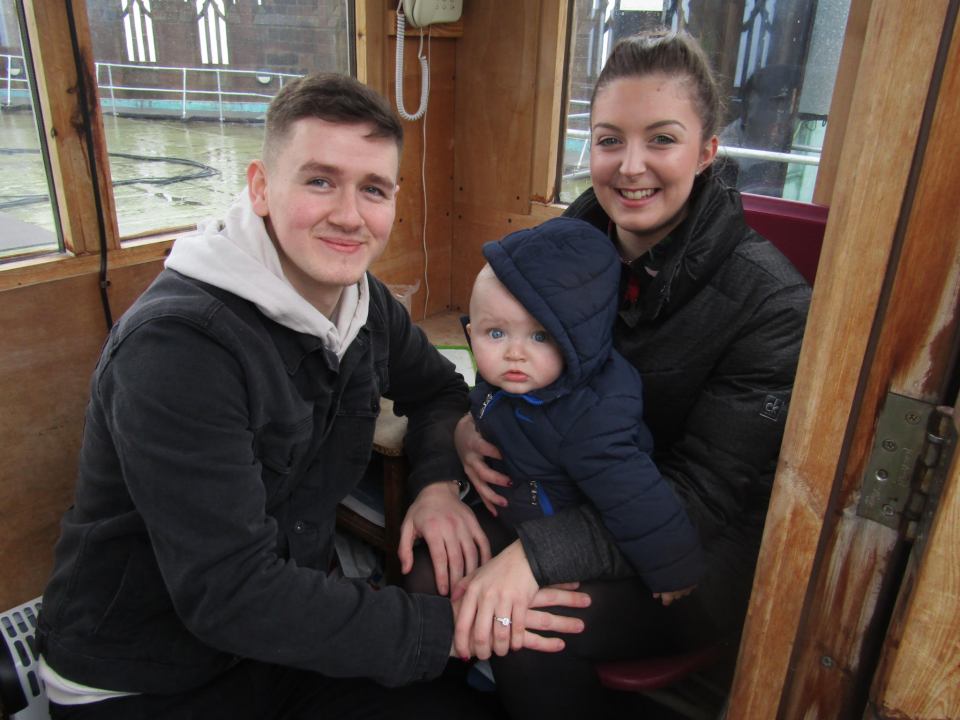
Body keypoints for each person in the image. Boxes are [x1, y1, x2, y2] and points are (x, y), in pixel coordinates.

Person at [36, 72, 588, 720]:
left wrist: (437, 486)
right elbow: (231, 594)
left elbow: (439, 391)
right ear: (261, 187)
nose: (349, 216)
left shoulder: (364, 305)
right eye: (320, 180)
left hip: (277, 648)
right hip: (146, 676)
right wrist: (457, 626)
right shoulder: (178, 348)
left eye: (372, 189)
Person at [411, 30, 812, 718]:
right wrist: (471, 429)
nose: (631, 167)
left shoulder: (769, 302)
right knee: (433, 572)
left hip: (688, 547)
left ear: (707, 151)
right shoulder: (566, 242)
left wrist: (537, 556)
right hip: (563, 487)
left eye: (661, 140)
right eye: (608, 140)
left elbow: (708, 496)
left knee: (531, 631)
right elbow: (500, 354)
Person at [463, 216, 702, 604]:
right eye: (496, 333)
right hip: (514, 515)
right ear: (471, 334)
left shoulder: (590, 417)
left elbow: (636, 497)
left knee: (515, 627)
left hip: (568, 548)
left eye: (540, 336)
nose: (514, 352)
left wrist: (673, 569)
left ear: (579, 341)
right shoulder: (509, 379)